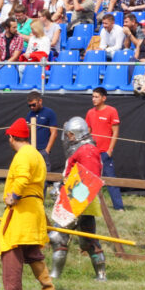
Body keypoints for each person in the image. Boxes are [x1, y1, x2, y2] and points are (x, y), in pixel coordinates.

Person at [0, 118, 58, 290]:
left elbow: (23, 178)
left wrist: (13, 197)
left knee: (11, 247)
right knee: (32, 251)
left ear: (11, 137)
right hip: (34, 209)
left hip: (22, 209)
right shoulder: (37, 154)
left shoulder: (24, 155)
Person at [48, 117, 107, 281]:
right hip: (78, 200)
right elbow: (74, 175)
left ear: (76, 134)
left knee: (58, 237)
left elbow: (88, 180)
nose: (69, 138)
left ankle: (54, 276)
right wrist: (60, 187)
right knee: (87, 241)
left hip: (79, 201)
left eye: (70, 135)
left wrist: (71, 199)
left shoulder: (87, 150)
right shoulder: (82, 149)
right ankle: (101, 275)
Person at [85, 87, 123, 210]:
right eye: (92, 97)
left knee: (111, 180)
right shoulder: (90, 112)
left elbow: (115, 132)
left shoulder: (112, 111)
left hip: (105, 153)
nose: (93, 99)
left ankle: (119, 207)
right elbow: (88, 131)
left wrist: (109, 150)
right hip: (92, 152)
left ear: (103, 98)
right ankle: (88, 205)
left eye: (96, 97)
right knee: (89, 180)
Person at [25, 91, 58, 163]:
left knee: (45, 172)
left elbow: (54, 133)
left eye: (33, 105)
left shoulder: (49, 112)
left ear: (40, 101)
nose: (32, 107)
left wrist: (47, 150)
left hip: (43, 149)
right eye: (29, 106)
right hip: (32, 149)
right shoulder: (29, 114)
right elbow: (27, 132)